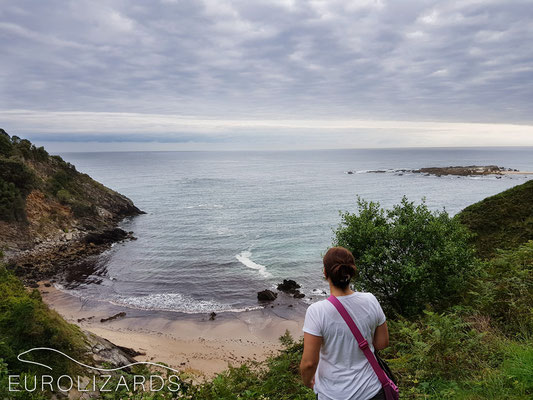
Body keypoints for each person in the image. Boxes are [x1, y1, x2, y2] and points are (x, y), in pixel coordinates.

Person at [300, 246, 389, 400]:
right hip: (372, 391)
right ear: (351, 272)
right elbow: (382, 343)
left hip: (333, 394)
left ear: (325, 273)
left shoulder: (317, 311)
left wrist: (308, 382)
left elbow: (309, 363)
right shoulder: (370, 300)